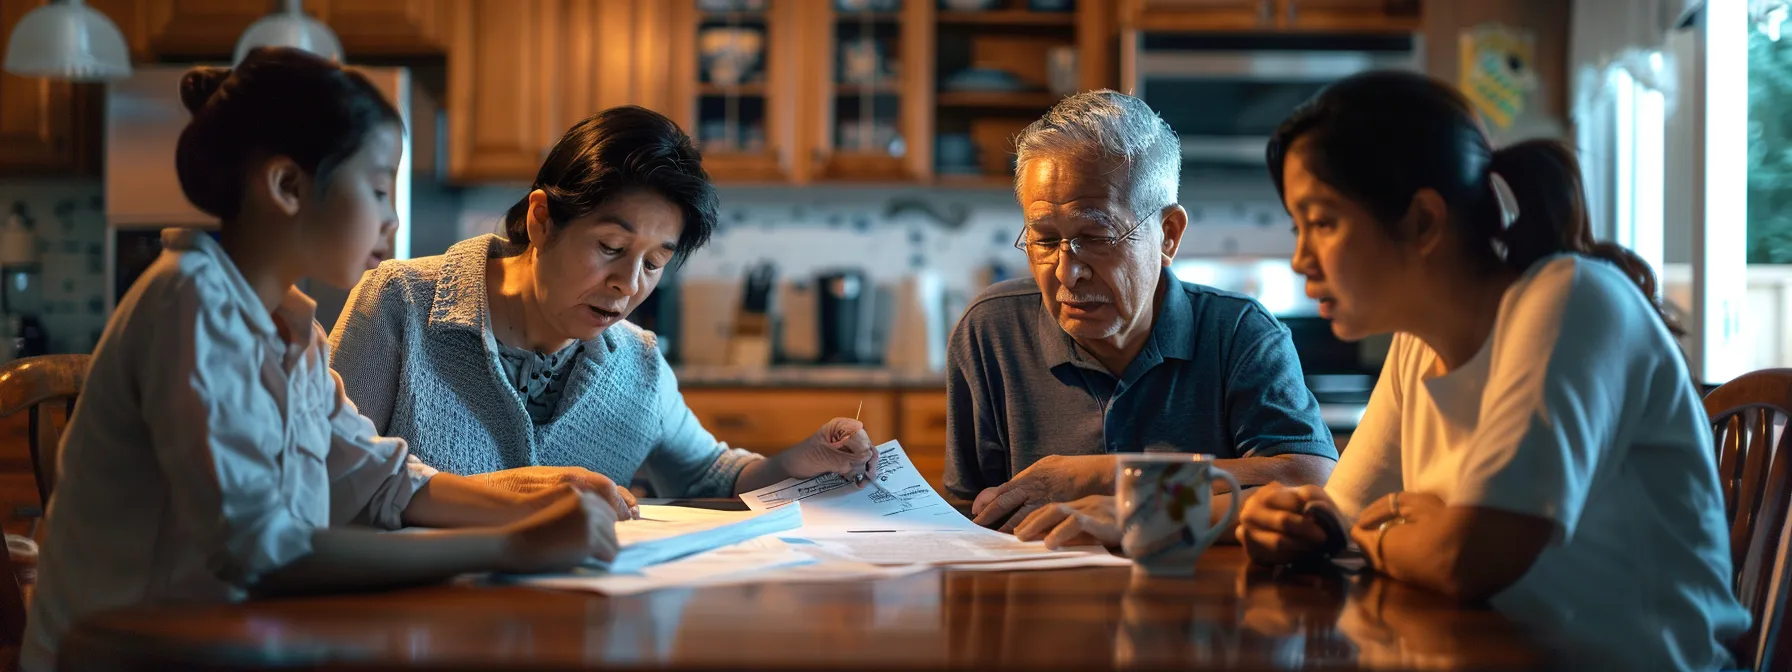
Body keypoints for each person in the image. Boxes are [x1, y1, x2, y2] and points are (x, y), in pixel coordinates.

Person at [22, 48, 622, 672]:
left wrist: (535, 507)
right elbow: (265, 552)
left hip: (232, 643)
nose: (392, 221)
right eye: (379, 188)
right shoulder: (192, 305)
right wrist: (511, 546)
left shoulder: (290, 329)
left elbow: (382, 479)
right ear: (287, 186)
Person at [1226, 71, 1746, 670]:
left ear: (1422, 222)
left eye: (1322, 222)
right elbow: (1339, 516)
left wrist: (1382, 533)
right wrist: (1293, 523)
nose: (1299, 259)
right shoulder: (1418, 340)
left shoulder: (1570, 301)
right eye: (1299, 227)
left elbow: (1466, 559)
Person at [328, 106, 877, 501]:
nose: (627, 284)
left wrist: (799, 462)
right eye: (610, 248)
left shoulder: (637, 365)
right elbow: (324, 479)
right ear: (542, 220)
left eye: (655, 263)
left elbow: (709, 476)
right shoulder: (401, 305)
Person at [947, 90, 1337, 533]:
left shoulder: (1240, 333)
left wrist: (1101, 476)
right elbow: (964, 521)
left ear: (1168, 235)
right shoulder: (991, 331)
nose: (1067, 273)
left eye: (1095, 236)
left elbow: (1310, 481)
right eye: (1044, 239)